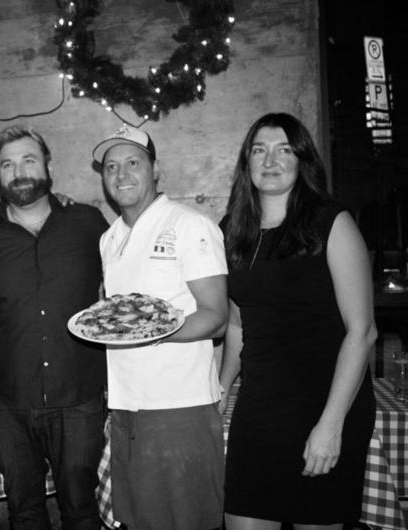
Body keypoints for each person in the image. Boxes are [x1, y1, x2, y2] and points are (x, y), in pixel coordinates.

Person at [218, 112, 376, 529]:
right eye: (259, 150)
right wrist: (221, 387)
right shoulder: (232, 231)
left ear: (302, 159)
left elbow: (362, 332)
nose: (270, 160)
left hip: (325, 402)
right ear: (247, 162)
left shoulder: (332, 222)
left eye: (284, 149)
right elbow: (237, 324)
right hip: (259, 407)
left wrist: (331, 424)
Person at [0, 124, 108, 529]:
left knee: (82, 512)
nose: (18, 172)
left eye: (28, 160)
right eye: (7, 165)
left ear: (48, 166)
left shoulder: (88, 223)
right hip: (10, 405)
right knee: (24, 514)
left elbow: (122, 298)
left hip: (79, 399)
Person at [92, 123, 229, 530]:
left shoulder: (189, 225)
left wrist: (147, 332)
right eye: (111, 166)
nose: (121, 174)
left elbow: (216, 315)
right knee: (137, 520)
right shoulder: (109, 238)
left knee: (188, 521)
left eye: (133, 163)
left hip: (179, 406)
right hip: (125, 406)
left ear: (155, 170)